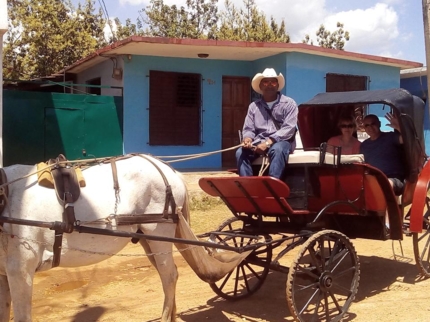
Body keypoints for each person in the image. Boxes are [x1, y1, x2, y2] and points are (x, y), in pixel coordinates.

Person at [236, 68, 298, 179]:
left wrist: (268, 143)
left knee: (277, 150)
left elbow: (289, 128)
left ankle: (272, 185)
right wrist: (247, 139)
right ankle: (248, 186)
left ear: (277, 85)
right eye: (265, 82)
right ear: (260, 86)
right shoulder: (253, 106)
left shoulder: (289, 103)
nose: (269, 85)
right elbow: (249, 128)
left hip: (281, 142)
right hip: (258, 141)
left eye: (273, 82)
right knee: (240, 152)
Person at [359, 113, 405, 195]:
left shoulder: (391, 137)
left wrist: (399, 127)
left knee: (383, 184)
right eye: (367, 125)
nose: (370, 127)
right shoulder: (364, 145)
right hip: (373, 179)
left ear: (379, 124)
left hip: (393, 179)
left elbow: (406, 140)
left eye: (373, 124)